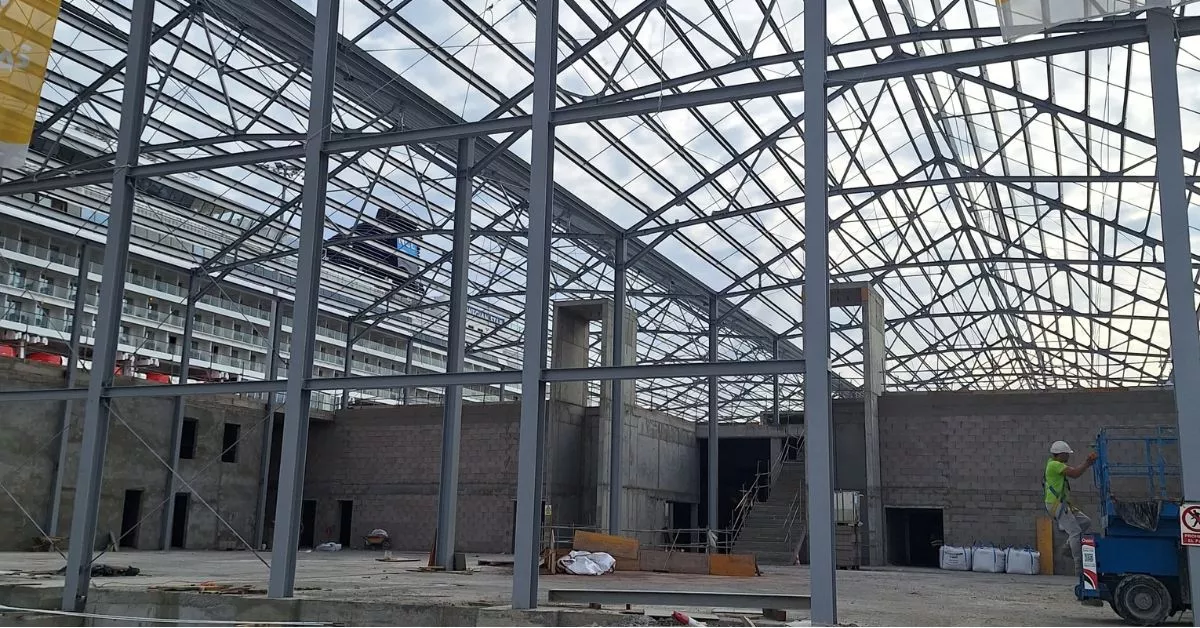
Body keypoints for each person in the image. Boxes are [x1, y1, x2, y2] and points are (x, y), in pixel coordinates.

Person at [1044, 440, 1097, 577]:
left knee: (1085, 522)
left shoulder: (1056, 464)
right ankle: (1079, 569)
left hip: (1063, 504)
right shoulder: (1054, 465)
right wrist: (1087, 462)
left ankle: (1068, 548)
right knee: (1075, 532)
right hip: (1056, 504)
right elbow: (1074, 473)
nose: (1068, 457)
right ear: (1060, 454)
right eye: (1067, 454)